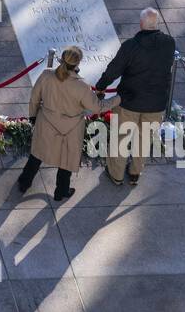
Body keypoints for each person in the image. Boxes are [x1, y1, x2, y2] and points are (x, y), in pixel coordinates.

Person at [17, 45, 115, 201]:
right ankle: (61, 191)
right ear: (77, 64)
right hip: (71, 128)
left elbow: (35, 98)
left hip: (46, 122)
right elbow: (97, 107)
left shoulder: (46, 75)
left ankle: (24, 182)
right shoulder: (82, 86)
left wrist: (33, 117)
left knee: (37, 155)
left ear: (61, 59)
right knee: (66, 161)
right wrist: (119, 98)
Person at [95, 7, 177, 186]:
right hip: (156, 103)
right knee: (144, 139)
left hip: (129, 101)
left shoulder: (130, 46)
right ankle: (135, 172)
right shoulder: (170, 43)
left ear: (141, 24)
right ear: (157, 24)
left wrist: (101, 87)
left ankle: (116, 174)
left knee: (121, 138)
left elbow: (114, 70)